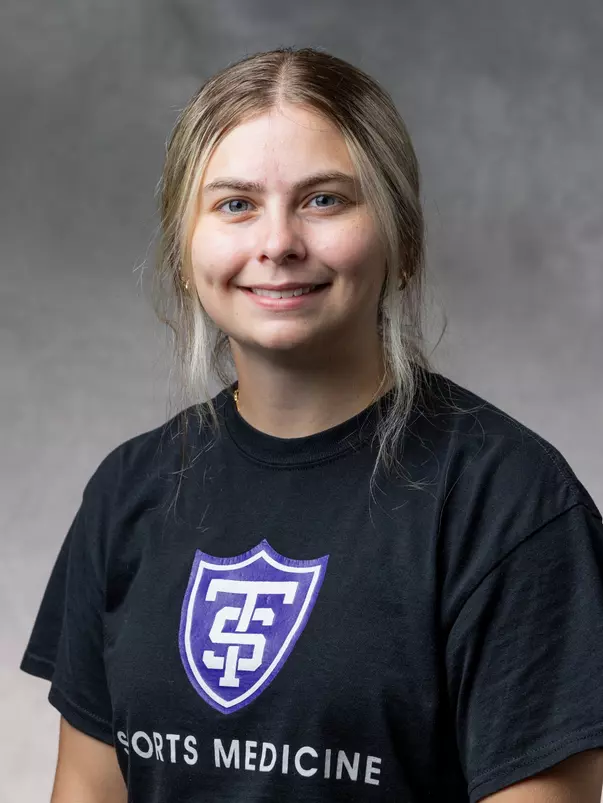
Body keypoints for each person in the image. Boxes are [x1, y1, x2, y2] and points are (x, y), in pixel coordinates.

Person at [20, 46, 603, 803]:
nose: (278, 243)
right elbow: (88, 790)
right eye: (235, 204)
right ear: (184, 249)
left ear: (401, 241)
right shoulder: (129, 490)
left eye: (323, 199)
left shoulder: (510, 503)